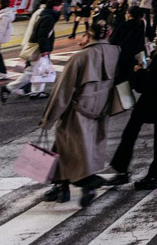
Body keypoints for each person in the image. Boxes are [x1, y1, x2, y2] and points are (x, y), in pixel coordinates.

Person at [39, 18, 119, 207]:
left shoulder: (80, 58)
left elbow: (62, 92)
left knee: (66, 147)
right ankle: (63, 185)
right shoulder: (116, 52)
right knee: (84, 150)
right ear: (108, 34)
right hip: (100, 110)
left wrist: (48, 119)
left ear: (88, 34)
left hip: (77, 112)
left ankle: (83, 183)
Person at [107, 22, 157, 190]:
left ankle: (122, 169)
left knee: (130, 133)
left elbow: (147, 84)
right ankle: (154, 175)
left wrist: (139, 71)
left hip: (151, 101)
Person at [3, 0, 62, 102]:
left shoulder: (46, 15)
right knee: (40, 70)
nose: (61, 7)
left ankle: (11, 88)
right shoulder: (48, 17)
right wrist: (44, 50)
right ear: (55, 7)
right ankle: (34, 92)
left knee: (31, 72)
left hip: (38, 47)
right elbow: (42, 35)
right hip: (39, 48)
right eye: (60, 5)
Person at [108, 7, 147, 87]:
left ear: (129, 14)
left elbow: (113, 40)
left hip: (123, 54)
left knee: (121, 76)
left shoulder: (124, 25)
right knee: (130, 76)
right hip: (136, 55)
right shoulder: (141, 24)